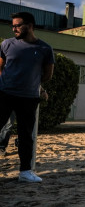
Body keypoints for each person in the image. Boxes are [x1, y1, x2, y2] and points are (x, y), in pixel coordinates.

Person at [0, 12, 55, 182]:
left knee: (26, 135)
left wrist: (31, 84)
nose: (14, 28)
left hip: (28, 98)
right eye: (13, 25)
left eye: (18, 25)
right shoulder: (6, 44)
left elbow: (47, 75)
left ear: (30, 26)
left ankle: (25, 172)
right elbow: (0, 67)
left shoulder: (45, 49)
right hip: (5, 94)